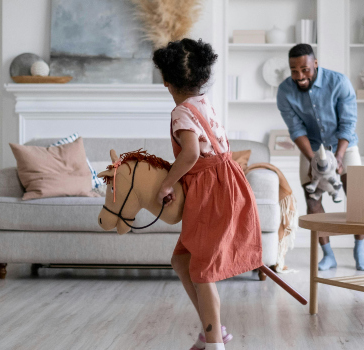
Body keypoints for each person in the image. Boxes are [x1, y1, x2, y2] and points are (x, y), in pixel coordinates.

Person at [154, 38, 262, 350]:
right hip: (225, 184)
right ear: (202, 78)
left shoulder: (181, 112)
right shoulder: (203, 104)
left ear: (167, 82)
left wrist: (167, 184)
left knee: (200, 270)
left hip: (211, 192)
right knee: (181, 260)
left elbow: (188, 155)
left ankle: (214, 342)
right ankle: (210, 329)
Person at [276, 43, 364, 271]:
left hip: (344, 146)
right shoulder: (284, 91)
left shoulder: (339, 83)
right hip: (311, 148)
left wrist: (338, 157)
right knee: (312, 201)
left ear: (315, 64)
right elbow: (296, 129)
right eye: (294, 71)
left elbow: (348, 123)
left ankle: (360, 250)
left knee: (359, 199)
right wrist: (313, 159)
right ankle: (328, 254)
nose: (299, 76)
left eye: (305, 70)